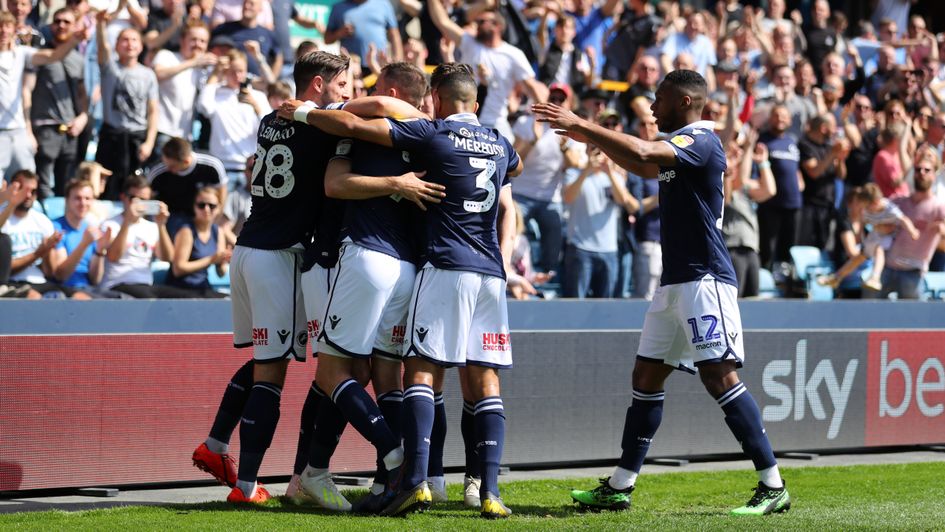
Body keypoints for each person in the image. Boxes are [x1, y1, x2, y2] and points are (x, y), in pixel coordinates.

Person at [533, 69, 790, 515]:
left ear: (686, 102)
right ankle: (620, 486)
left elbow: (643, 149)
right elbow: (640, 162)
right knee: (646, 378)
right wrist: (594, 140)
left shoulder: (701, 140)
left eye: (659, 99)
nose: (652, 108)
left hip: (704, 280)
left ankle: (773, 485)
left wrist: (581, 125)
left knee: (720, 376)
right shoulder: (679, 152)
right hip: (674, 284)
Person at [281, 61, 523, 519]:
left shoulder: (426, 135)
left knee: (358, 373)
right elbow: (516, 173)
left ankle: (398, 465)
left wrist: (304, 112)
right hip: (468, 271)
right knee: (417, 375)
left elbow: (348, 145)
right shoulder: (492, 140)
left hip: (382, 259)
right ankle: (458, 482)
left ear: (436, 97)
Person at [191, 51, 367, 506]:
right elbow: (360, 120)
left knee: (267, 358)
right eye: (343, 84)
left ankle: (215, 446)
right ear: (317, 86)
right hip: (280, 256)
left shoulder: (272, 117)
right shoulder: (322, 121)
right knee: (273, 371)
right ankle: (247, 487)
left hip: (247, 248)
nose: (348, 93)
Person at [294, 62, 446, 513]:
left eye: (374, 87)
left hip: (364, 257)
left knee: (332, 373)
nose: (362, 94)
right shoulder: (432, 138)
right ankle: (378, 480)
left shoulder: (365, 130)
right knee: (379, 375)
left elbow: (335, 183)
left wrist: (309, 111)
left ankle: (397, 459)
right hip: (408, 269)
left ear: (395, 91)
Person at [426, 0, 544, 142]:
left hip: (496, 123)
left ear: (497, 26)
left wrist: (542, 117)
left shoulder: (513, 54)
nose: (477, 25)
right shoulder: (469, 43)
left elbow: (531, 86)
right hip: (467, 119)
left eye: (482, 22)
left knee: (509, 161)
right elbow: (442, 21)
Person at [0, 10, 84, 182]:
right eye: (0, 27)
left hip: (18, 131)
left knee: (28, 182)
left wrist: (75, 39)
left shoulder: (23, 54)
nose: (3, 31)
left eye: (7, 27)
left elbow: (54, 56)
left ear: (14, 30)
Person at [562, 114, 638, 299]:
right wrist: (587, 170)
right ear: (586, 150)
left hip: (609, 250)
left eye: (600, 148)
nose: (596, 152)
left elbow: (624, 203)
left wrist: (610, 172)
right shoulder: (574, 173)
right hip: (580, 248)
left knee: (605, 306)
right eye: (592, 148)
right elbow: (568, 198)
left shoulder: (616, 177)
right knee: (575, 303)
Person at [93, 11, 159, 199]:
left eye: (134, 40)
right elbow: (102, 47)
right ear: (117, 45)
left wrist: (149, 142)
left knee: (135, 190)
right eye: (124, 40)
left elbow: (153, 111)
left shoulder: (148, 74)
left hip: (136, 139)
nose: (129, 44)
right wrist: (100, 25)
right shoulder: (110, 68)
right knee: (107, 188)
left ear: (141, 46)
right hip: (112, 137)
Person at [31, 7, 89, 199]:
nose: (61, 25)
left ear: (75, 26)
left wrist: (83, 117)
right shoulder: (40, 53)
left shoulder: (79, 60)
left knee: (66, 186)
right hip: (46, 127)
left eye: (67, 22)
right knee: (43, 187)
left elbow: (82, 94)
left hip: (70, 130)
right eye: (57, 21)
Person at [98, 174, 188, 298]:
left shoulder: (151, 227)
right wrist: (127, 222)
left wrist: (161, 225)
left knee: (184, 297)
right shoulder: (109, 224)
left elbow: (167, 257)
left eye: (145, 200)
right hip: (117, 284)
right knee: (152, 301)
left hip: (145, 285)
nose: (140, 204)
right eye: (135, 199)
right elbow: (113, 256)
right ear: (123, 197)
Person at [819, 183, 919, 292]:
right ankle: (837, 277)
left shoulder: (890, 209)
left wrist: (912, 231)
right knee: (859, 258)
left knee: (878, 250)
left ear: (875, 202)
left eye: (866, 206)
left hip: (887, 237)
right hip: (876, 235)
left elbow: (904, 220)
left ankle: (875, 278)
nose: (864, 209)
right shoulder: (867, 211)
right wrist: (877, 227)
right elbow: (867, 222)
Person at [876, 149, 945, 299]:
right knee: (871, 316)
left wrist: (941, 230)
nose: (922, 173)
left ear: (934, 175)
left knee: (912, 321)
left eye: (927, 170)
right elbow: (875, 221)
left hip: (913, 274)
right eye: (918, 169)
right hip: (887, 268)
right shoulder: (898, 202)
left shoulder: (939, 207)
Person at [146, 137, 228, 238]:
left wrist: (217, 214)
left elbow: (222, 190)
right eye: (165, 163)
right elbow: (147, 197)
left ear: (186, 161)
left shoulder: (211, 165)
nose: (167, 169)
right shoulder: (158, 172)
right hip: (171, 216)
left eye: (172, 166)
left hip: (202, 214)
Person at [756, 104, 803, 270]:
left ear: (790, 120)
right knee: (768, 248)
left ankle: (786, 284)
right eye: (776, 115)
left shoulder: (792, 141)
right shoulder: (762, 140)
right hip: (771, 204)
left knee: (789, 249)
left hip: (793, 204)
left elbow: (795, 168)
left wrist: (799, 181)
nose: (780, 119)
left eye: (784, 116)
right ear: (770, 118)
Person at [0, 170, 60, 299]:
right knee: (34, 297)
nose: (28, 196)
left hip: (39, 281)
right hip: (10, 283)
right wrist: (36, 254)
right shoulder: (3, 217)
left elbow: (50, 272)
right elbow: (6, 270)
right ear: (13, 188)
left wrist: (47, 250)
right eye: (23, 190)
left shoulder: (43, 221)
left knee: (74, 297)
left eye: (33, 191)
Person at [49, 178, 112, 297]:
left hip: (88, 289)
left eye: (87, 198)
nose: (83, 203)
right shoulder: (56, 228)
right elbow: (61, 275)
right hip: (65, 290)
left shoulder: (91, 229)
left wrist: (99, 251)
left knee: (123, 300)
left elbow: (95, 280)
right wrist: (84, 244)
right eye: (77, 198)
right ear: (67, 200)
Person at [165, 186, 231, 297]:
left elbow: (221, 273)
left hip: (202, 287)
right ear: (194, 207)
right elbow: (178, 269)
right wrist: (211, 260)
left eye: (212, 206)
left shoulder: (218, 231)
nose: (206, 209)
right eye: (201, 205)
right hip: (180, 289)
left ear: (219, 208)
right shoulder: (187, 230)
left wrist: (223, 261)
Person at [324, 0, 403, 72]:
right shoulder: (338, 7)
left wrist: (398, 61)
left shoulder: (383, 4)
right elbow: (327, 39)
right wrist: (339, 33)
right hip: (351, 67)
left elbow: (394, 35)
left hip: (379, 66)